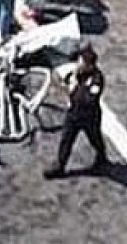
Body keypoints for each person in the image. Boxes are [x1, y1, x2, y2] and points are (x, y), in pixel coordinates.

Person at [44, 44, 108, 178]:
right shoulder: (77, 72)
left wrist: (73, 89)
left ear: (90, 65)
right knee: (66, 140)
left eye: (82, 62)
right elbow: (64, 80)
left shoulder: (97, 79)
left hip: (89, 117)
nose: (79, 64)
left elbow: (88, 100)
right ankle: (59, 166)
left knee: (95, 138)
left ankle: (101, 156)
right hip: (73, 114)